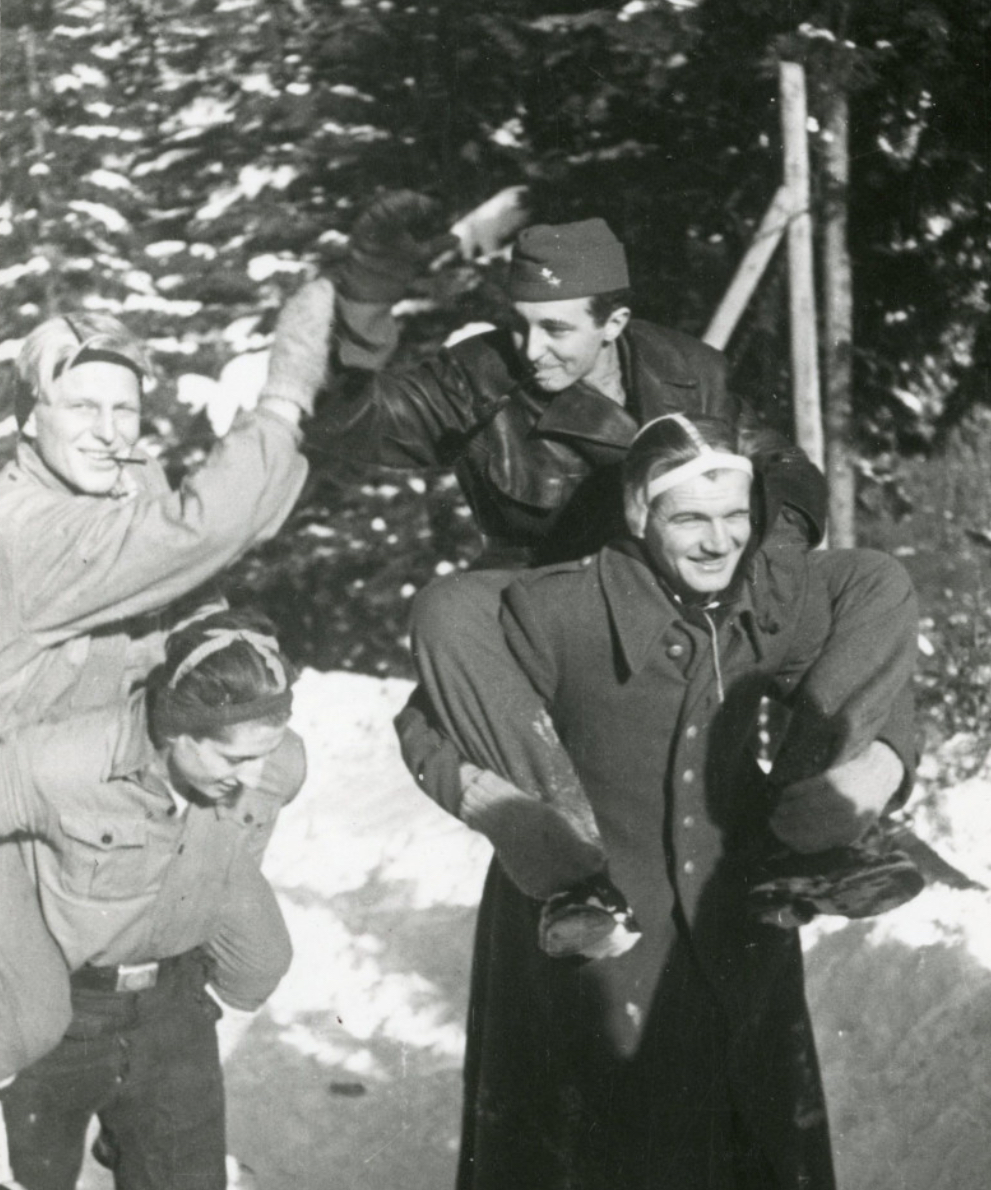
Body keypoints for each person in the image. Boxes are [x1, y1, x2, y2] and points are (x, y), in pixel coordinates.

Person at [310, 196, 917, 953]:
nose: (530, 348)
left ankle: (802, 836)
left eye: (557, 328)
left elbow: (778, 460)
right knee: (449, 611)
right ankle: (574, 867)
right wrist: (365, 296)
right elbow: (348, 420)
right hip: (559, 603)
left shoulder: (687, 370)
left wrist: (776, 548)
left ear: (614, 324)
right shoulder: (479, 377)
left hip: (692, 580)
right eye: (521, 322)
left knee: (870, 585)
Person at [454, 414, 918, 1190]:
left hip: (732, 919)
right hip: (595, 925)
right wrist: (497, 807)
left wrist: (881, 760)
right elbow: (431, 721)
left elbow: (874, 648)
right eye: (691, 519)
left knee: (752, 1143)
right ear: (638, 514)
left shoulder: (767, 603)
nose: (718, 542)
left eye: (735, 518)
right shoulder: (558, 608)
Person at [0, 284, 330, 1083]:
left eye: (125, 411)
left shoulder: (126, 481)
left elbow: (200, 582)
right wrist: (287, 387)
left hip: (132, 775)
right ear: (25, 416)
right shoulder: (26, 525)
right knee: (34, 1016)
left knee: (258, 958)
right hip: (23, 792)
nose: (108, 434)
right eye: (81, 407)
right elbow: (207, 525)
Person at [0, 611, 303, 1190]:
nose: (254, 776)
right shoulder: (59, 765)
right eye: (234, 758)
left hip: (173, 1011)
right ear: (173, 729)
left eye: (266, 753)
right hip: (58, 1024)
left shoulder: (276, 766)